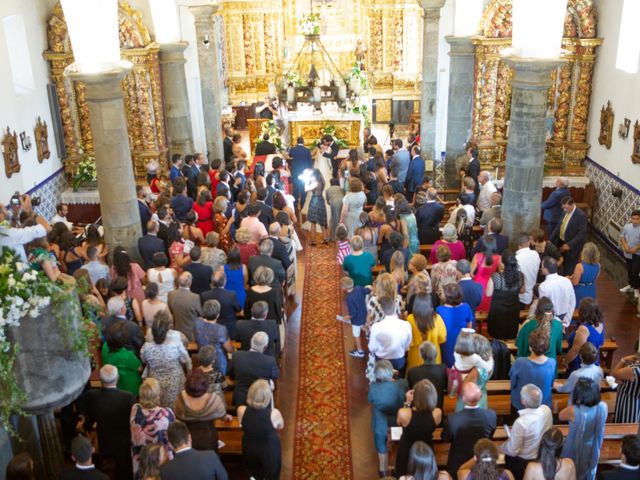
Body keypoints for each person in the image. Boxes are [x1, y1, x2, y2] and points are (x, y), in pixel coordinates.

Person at [78, 365, 135, 480]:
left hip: (103, 442)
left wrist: (83, 426)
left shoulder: (91, 395)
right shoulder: (128, 397)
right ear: (117, 378)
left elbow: (88, 423)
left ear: (99, 378)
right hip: (124, 444)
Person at [442, 382, 497, 477]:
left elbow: (445, 438)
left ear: (463, 399)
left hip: (458, 462)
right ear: (480, 397)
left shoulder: (453, 419)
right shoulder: (491, 415)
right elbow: (490, 436)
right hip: (482, 461)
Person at [500, 384, 553, 479]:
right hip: (542, 455)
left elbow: (513, 451)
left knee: (508, 458)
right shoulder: (546, 410)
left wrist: (501, 447)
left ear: (523, 401)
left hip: (523, 461)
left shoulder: (521, 422)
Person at [141, 311, 192, 408]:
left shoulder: (147, 343)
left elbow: (144, 360)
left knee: (158, 407)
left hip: (155, 381)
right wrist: (189, 371)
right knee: (175, 406)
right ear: (169, 326)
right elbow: (186, 360)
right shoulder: (177, 339)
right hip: (175, 381)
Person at [560, 378, 608, 480]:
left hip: (573, 446)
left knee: (571, 470)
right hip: (592, 445)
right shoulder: (603, 407)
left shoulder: (573, 410)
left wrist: (572, 401)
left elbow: (560, 416)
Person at [394, 379, 442, 477]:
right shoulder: (437, 413)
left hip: (407, 450)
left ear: (414, 397)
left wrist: (407, 402)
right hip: (426, 449)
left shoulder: (404, 413)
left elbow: (399, 423)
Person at [237, 379, 284, 480]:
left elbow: (241, 424)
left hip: (250, 446)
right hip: (269, 449)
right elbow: (280, 426)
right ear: (267, 397)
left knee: (253, 473)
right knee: (272, 473)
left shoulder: (241, 410)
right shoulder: (274, 413)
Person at [368, 359, 408, 477]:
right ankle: (397, 466)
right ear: (392, 372)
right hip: (398, 420)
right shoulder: (402, 384)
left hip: (380, 422)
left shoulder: (373, 387)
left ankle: (383, 470)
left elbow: (370, 400)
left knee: (380, 443)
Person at [130, 378, 175, 477]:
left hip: (140, 460)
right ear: (158, 394)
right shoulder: (167, 413)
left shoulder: (135, 411)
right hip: (162, 459)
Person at [173, 369, 226, 451]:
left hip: (188, 439)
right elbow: (223, 416)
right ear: (205, 385)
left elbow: (177, 417)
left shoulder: (180, 399)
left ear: (187, 385)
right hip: (209, 439)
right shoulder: (215, 399)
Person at [160, 420, 228, 479]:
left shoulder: (165, 470)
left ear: (170, 445)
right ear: (190, 437)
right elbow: (224, 478)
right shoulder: (210, 456)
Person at [229, 332, 280, 406]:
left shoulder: (237, 355)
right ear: (265, 347)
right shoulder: (270, 361)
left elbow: (231, 374)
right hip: (261, 400)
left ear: (251, 341)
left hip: (241, 398)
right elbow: (275, 375)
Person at [510, 330, 556, 411]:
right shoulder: (552, 362)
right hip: (544, 404)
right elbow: (551, 383)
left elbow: (513, 383)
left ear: (530, 347)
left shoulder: (520, 362)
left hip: (521, 404)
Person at [368, 296, 413, 375]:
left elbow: (372, 348)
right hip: (399, 360)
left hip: (382, 360)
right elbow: (407, 344)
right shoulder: (406, 325)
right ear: (395, 307)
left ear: (382, 309)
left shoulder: (375, 327)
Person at [486, 250, 524, 340]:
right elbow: (522, 291)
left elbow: (488, 293)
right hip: (513, 310)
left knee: (496, 335)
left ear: (503, 263)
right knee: (510, 335)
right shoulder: (520, 276)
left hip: (498, 311)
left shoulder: (496, 276)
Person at [436, 283, 474, 367]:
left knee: (447, 365)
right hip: (462, 341)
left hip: (446, 342)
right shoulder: (466, 307)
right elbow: (469, 326)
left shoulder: (439, 310)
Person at [564, 298, 604, 374]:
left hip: (581, 364)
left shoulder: (584, 329)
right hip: (593, 360)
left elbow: (575, 350)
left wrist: (566, 361)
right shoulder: (600, 323)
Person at [406, 293, 446, 369]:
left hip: (415, 355)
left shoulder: (410, 319)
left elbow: (407, 339)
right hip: (433, 355)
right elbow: (442, 338)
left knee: (414, 377)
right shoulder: (437, 318)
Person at [102, 322, 142, 396]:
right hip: (129, 388)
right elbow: (139, 368)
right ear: (123, 340)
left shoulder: (104, 347)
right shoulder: (127, 355)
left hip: (114, 386)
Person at [551, 197, 588, 275]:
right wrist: (550, 240)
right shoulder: (565, 211)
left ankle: (567, 280)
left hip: (572, 246)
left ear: (572, 205)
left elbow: (582, 233)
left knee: (569, 266)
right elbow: (559, 225)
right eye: (563, 208)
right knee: (560, 260)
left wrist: (569, 245)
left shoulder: (581, 215)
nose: (564, 210)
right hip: (561, 241)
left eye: (566, 208)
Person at [195, 299, 234, 374]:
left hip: (202, 358)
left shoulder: (197, 322)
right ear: (218, 315)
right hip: (217, 362)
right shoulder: (221, 329)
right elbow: (229, 349)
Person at [201, 269, 242, 338]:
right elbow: (238, 309)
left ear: (212, 282)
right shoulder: (231, 295)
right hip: (229, 329)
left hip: (210, 329)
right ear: (225, 282)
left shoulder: (204, 295)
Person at [407, 341, 447, 407]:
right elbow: (445, 388)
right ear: (436, 354)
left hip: (418, 408)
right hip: (437, 407)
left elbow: (410, 391)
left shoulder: (412, 371)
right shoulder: (443, 369)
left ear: (421, 356)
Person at [539, 256, 576, 328]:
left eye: (542, 266)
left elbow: (545, 309)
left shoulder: (543, 286)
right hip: (565, 317)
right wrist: (566, 322)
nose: (541, 268)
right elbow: (572, 302)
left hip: (552, 321)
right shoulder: (567, 281)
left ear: (546, 269)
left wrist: (557, 323)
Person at [339, 276, 370, 358]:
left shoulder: (349, 298)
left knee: (356, 334)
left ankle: (360, 351)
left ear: (344, 288)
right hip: (364, 313)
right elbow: (367, 290)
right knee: (362, 325)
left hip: (356, 320)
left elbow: (353, 312)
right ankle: (369, 333)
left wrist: (347, 317)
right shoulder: (358, 288)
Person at [167, 272, 202, 341]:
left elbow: (171, 310)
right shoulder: (195, 297)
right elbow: (201, 314)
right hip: (191, 333)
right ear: (190, 282)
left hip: (177, 332)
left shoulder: (171, 294)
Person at [471, 236, 501, 312]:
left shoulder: (477, 256)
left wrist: (475, 277)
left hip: (478, 283)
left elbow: (471, 273)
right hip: (492, 283)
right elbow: (500, 273)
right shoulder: (498, 258)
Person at [611, 351, 640, 423]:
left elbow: (614, 373)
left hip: (629, 403)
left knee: (625, 423)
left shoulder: (634, 370)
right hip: (638, 400)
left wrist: (623, 360)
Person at [515, 232, 541, 308]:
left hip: (520, 297)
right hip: (532, 294)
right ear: (529, 242)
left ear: (518, 244)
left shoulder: (517, 259)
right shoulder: (535, 254)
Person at [305, 168, 329, 245]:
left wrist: (306, 180)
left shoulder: (315, 183)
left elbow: (306, 189)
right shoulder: (322, 181)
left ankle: (313, 241)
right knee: (322, 221)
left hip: (315, 200)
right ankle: (325, 239)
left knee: (313, 222)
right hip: (321, 200)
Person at [619, 210, 640, 296]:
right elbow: (622, 236)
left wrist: (635, 248)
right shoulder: (627, 226)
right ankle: (630, 285)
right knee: (629, 270)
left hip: (638, 254)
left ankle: (636, 288)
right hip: (628, 253)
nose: (635, 221)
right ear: (631, 218)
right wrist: (625, 246)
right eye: (633, 219)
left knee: (635, 271)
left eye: (637, 219)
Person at [288, 136, 313, 205]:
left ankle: (295, 203)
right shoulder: (307, 150)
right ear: (303, 142)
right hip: (305, 172)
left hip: (295, 171)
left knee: (295, 187)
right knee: (303, 187)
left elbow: (290, 155)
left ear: (297, 142)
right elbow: (310, 162)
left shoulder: (293, 149)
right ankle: (303, 202)